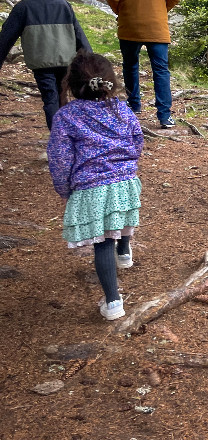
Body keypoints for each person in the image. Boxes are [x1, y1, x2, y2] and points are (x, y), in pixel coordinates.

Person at [47, 51, 144, 321]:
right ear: (110, 81)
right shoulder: (122, 108)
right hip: (125, 181)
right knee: (121, 216)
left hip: (91, 187)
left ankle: (113, 302)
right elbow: (137, 139)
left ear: (72, 84)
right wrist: (128, 165)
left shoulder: (66, 116)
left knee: (102, 243)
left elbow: (59, 158)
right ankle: (124, 251)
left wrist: (64, 188)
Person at [102, 0, 182, 128]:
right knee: (161, 70)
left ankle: (134, 104)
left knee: (130, 65)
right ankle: (164, 116)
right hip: (157, 26)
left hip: (130, 24)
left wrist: (121, 10)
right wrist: (160, 10)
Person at [0, 0, 91, 129]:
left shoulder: (23, 8)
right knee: (62, 96)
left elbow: (5, 39)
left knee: (50, 98)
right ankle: (67, 138)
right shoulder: (64, 5)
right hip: (65, 61)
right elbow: (79, 35)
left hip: (41, 63)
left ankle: (59, 141)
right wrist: (91, 60)